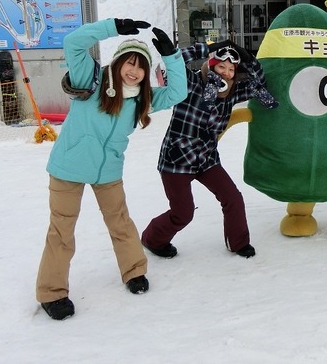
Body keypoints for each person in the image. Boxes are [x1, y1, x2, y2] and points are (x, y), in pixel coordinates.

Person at [35, 18, 188, 321]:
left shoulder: (141, 99)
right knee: (61, 230)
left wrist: (171, 56)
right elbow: (73, 43)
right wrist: (113, 27)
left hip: (108, 172)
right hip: (68, 168)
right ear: (117, 63)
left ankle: (134, 272)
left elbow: (177, 93)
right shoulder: (89, 81)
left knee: (120, 223)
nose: (134, 71)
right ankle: (52, 292)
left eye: (141, 66)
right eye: (129, 63)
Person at [141, 40, 278, 259]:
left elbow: (260, 83)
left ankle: (239, 243)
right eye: (221, 66)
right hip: (177, 160)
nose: (226, 73)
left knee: (233, 198)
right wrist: (205, 48)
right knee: (182, 213)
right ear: (211, 65)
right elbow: (172, 67)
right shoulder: (191, 83)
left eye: (231, 69)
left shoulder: (232, 92)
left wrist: (249, 59)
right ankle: (152, 239)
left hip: (207, 160)